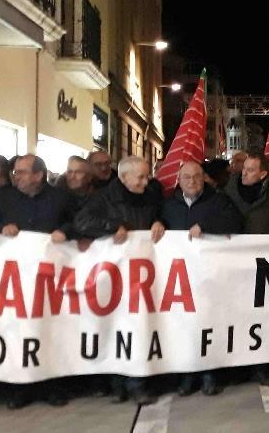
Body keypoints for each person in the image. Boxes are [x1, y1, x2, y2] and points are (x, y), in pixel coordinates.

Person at [0, 155, 78, 408]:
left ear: (39, 175)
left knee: (51, 330)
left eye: (21, 172)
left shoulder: (61, 198)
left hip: (52, 276)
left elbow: (77, 221)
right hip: (18, 278)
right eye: (15, 172)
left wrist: (65, 231)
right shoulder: (5, 198)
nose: (15, 176)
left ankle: (54, 387)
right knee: (21, 331)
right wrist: (1, 228)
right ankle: (21, 388)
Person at [75, 156, 165, 405]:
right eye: (141, 177)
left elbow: (158, 215)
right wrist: (112, 226)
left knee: (138, 328)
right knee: (116, 328)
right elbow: (82, 222)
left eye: (147, 176)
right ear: (124, 177)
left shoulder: (150, 194)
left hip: (141, 275)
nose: (146, 182)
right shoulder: (103, 198)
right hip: (114, 276)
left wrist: (159, 222)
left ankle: (136, 384)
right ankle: (118, 384)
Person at [162, 161, 242, 395]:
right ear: (179, 179)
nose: (192, 181)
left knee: (208, 326)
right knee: (185, 329)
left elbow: (235, 223)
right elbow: (158, 226)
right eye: (187, 177)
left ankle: (209, 375)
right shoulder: (169, 206)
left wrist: (206, 226)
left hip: (209, 278)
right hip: (180, 281)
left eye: (197, 176)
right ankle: (188, 375)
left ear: (204, 178)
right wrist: (157, 224)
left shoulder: (218, 200)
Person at [223, 152, 269, 385]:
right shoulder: (229, 190)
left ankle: (262, 366)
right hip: (235, 264)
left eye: (251, 170)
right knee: (237, 314)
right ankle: (238, 366)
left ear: (263, 174)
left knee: (263, 315)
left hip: (264, 264)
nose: (244, 172)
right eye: (244, 169)